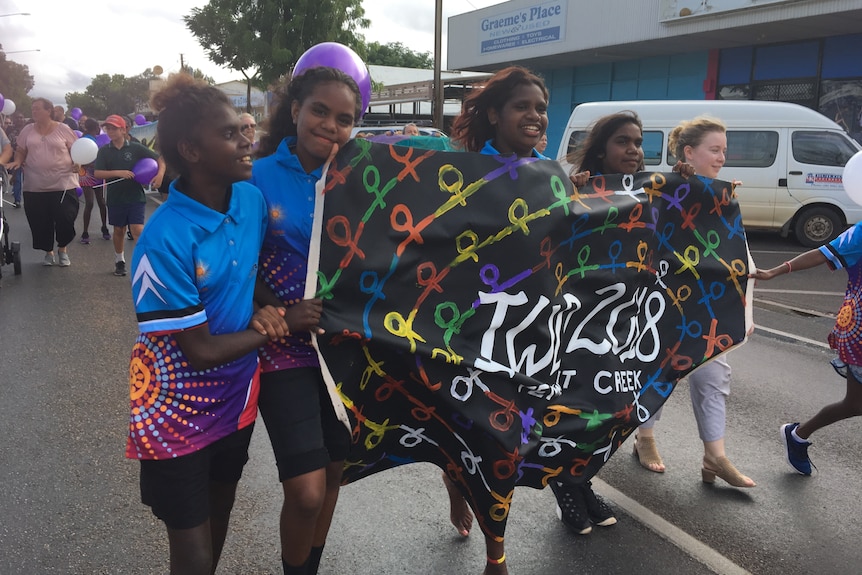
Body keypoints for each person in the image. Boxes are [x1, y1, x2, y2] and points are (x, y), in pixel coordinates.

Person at [128, 72, 290, 575]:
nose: (247, 141)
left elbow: (245, 272)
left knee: (220, 511)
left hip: (236, 399)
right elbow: (198, 350)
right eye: (229, 134)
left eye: (243, 130)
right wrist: (270, 326)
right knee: (192, 550)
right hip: (174, 407)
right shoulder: (164, 240)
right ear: (190, 151)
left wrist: (271, 304)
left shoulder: (249, 201)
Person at [447, 64, 606, 573]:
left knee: (507, 443)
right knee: (482, 441)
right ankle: (490, 542)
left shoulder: (553, 176)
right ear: (494, 114)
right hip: (470, 331)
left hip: (533, 334)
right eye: (523, 106)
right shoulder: (460, 171)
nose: (536, 116)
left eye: (541, 107)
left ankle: (492, 542)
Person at [251, 66, 359, 575]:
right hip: (282, 350)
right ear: (294, 109)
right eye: (320, 110)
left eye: (344, 119)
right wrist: (277, 310)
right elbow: (235, 260)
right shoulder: (255, 177)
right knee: (306, 489)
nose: (330, 126)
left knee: (335, 470)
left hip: (344, 351)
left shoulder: (360, 177)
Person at [643, 116, 755, 488]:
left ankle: (715, 457)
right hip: (665, 305)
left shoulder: (725, 196)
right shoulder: (663, 190)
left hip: (713, 308)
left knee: (713, 375)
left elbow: (741, 260)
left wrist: (746, 311)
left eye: (724, 150)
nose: (722, 157)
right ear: (689, 152)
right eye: (715, 150)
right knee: (656, 373)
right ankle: (645, 437)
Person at [750, 228, 862, 476]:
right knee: (855, 404)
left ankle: (798, 435)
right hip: (859, 335)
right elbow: (821, 254)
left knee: (855, 404)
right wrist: (774, 271)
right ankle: (797, 435)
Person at [7, 98, 79, 266]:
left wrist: (77, 163)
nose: (34, 112)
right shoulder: (27, 130)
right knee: (40, 221)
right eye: (33, 109)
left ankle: (62, 248)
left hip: (63, 183)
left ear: (49, 111)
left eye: (38, 109)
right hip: (35, 185)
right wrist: (17, 162)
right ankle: (49, 252)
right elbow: (21, 150)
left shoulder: (63, 129)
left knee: (65, 218)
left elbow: (76, 149)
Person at [93, 114, 164, 276]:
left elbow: (160, 159)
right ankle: (119, 260)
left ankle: (144, 263)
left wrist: (159, 175)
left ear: (123, 130)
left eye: (113, 128)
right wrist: (119, 172)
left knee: (138, 230)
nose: (110, 131)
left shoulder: (135, 148)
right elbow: (97, 173)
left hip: (135, 196)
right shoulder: (104, 151)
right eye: (107, 128)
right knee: (119, 230)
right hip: (116, 197)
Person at [78, 118, 110, 244]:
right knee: (93, 202)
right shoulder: (85, 140)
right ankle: (86, 231)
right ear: (96, 128)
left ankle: (103, 227)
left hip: (93, 172)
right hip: (88, 172)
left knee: (99, 202)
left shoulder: (92, 140)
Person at [5, 112, 28, 208]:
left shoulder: (28, 130)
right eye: (17, 118)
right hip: (16, 158)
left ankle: (29, 200)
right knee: (17, 179)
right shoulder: (10, 131)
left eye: (21, 117)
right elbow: (7, 144)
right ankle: (17, 200)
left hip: (28, 158)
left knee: (28, 181)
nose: (19, 119)